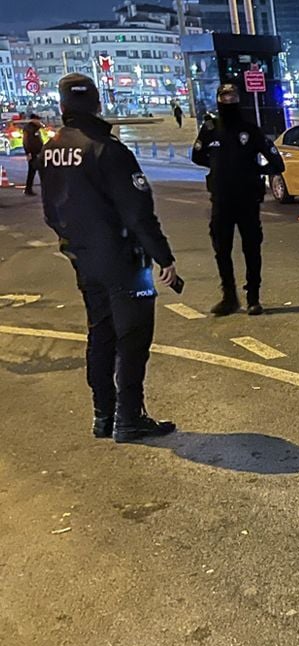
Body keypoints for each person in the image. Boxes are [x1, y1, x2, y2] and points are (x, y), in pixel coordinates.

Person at [40, 73, 179, 443]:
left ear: (63, 106)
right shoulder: (107, 149)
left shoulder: (51, 149)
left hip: (84, 259)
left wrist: (73, 243)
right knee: (132, 339)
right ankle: (129, 418)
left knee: (100, 334)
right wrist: (163, 256)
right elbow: (138, 212)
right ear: (98, 104)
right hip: (123, 259)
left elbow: (50, 211)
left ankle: (103, 415)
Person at [192, 83, 285, 316]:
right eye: (224, 96)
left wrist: (253, 170)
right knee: (221, 249)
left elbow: (276, 162)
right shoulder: (210, 129)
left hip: (247, 201)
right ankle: (229, 297)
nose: (228, 100)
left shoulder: (249, 130)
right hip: (221, 201)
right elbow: (197, 156)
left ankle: (253, 297)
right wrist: (219, 167)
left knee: (251, 249)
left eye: (232, 96)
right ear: (218, 99)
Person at [22, 113, 44, 196]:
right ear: (33, 120)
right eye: (38, 120)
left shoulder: (36, 128)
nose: (39, 121)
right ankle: (28, 189)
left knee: (38, 171)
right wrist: (28, 153)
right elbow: (26, 141)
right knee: (32, 172)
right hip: (33, 153)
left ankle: (29, 189)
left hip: (39, 153)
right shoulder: (28, 128)